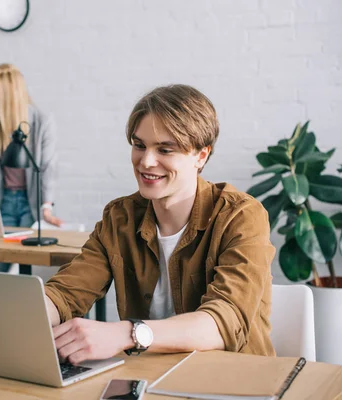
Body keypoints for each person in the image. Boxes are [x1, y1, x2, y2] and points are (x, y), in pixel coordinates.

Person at [43, 84, 275, 365]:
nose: (146, 162)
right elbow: (66, 293)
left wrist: (127, 334)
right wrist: (32, 310)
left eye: (165, 150)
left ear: (201, 156)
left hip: (233, 380)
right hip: (148, 378)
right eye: (139, 145)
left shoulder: (240, 216)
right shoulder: (120, 218)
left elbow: (225, 320)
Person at [0, 63, 62, 272]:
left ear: (8, 92)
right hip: (5, 200)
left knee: (29, 264)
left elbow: (47, 166)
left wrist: (46, 207)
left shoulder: (41, 121)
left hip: (31, 202)